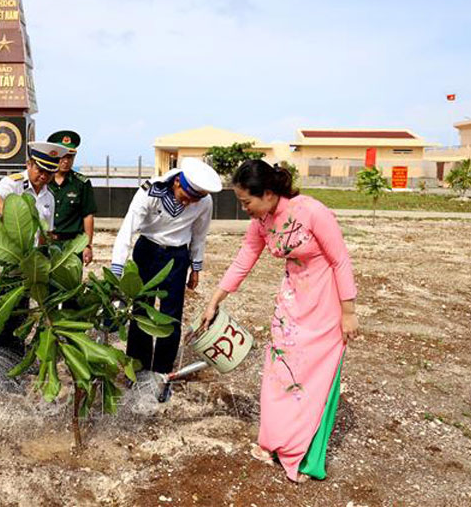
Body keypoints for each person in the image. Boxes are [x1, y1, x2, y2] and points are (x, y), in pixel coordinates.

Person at [195, 159, 359, 483]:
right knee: (279, 370)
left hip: (325, 303)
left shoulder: (311, 211)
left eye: (247, 202)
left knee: (313, 377)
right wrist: (215, 300)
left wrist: (349, 312)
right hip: (291, 303)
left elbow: (340, 260)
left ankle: (301, 452)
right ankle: (273, 441)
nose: (245, 209)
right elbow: (244, 259)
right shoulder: (262, 222)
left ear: (268, 193)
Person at [111, 157, 222, 402]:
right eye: (186, 197)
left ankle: (162, 373)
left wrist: (195, 267)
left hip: (177, 257)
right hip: (147, 252)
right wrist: (116, 270)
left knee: (171, 317)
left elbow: (199, 234)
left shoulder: (204, 201)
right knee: (140, 311)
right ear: (177, 183)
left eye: (195, 199)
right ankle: (137, 369)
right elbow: (127, 230)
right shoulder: (150, 192)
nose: (189, 203)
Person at [0, 141, 69, 354]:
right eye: (40, 170)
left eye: (50, 172)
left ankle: (14, 359)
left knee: (20, 317)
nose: (44, 176)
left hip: (27, 269)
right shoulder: (13, 184)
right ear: (29, 164)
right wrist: (17, 217)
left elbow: (45, 235)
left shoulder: (49, 197)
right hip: (5, 265)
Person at [46, 130, 97, 265]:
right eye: (62, 157)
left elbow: (88, 216)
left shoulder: (82, 183)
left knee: (72, 277)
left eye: (70, 157)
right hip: (47, 243)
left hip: (73, 245)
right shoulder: (43, 181)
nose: (66, 161)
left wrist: (88, 245)